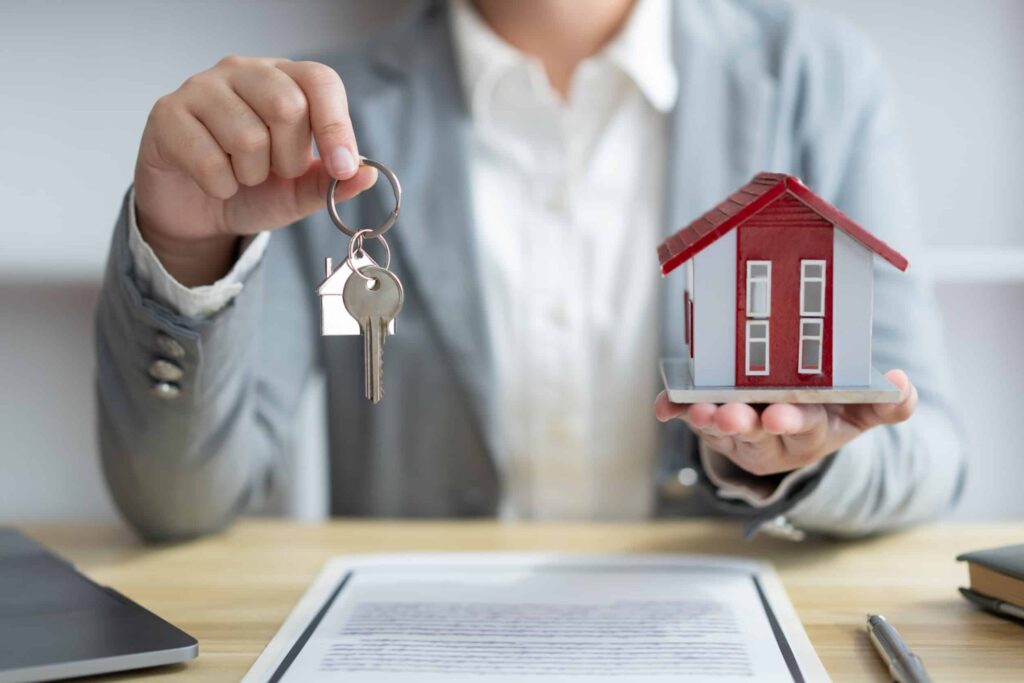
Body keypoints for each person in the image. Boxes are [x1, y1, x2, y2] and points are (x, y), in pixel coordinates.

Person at [94, 0, 964, 542]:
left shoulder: (817, 79)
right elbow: (178, 504)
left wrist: (800, 459)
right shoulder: (318, 125)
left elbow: (930, 450)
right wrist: (180, 247)